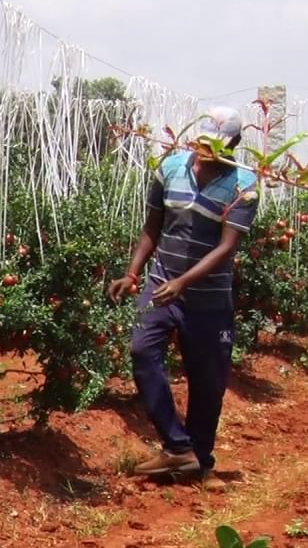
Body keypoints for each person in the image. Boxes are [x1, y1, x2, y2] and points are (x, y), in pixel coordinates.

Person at [107, 106, 259, 492]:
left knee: (207, 382)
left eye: (217, 145)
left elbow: (226, 248)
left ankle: (200, 463)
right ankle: (177, 445)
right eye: (204, 142)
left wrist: (185, 282)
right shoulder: (169, 168)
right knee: (142, 352)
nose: (206, 151)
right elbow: (151, 227)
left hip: (208, 299)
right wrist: (132, 272)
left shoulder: (244, 185)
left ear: (234, 145)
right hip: (160, 286)